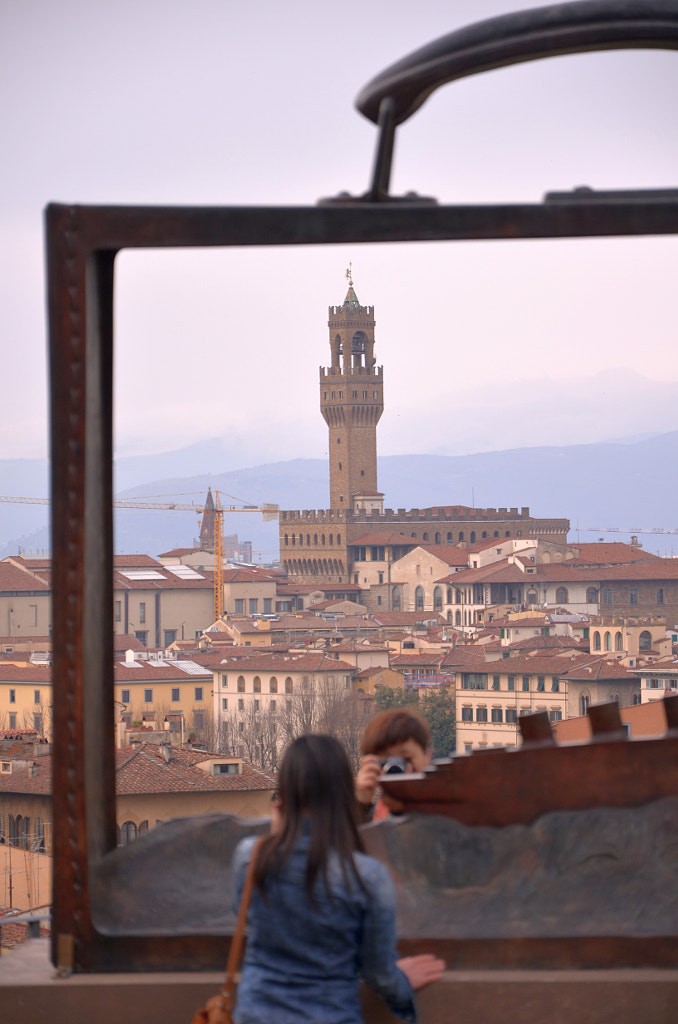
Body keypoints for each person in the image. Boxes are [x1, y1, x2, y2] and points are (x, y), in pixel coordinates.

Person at [231, 734, 444, 1024]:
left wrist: (278, 836)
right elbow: (378, 972)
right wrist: (402, 983)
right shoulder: (366, 876)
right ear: (343, 790)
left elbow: (252, 923)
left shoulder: (250, 859)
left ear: (285, 792)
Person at [355, 709, 431, 822]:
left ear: (426, 756)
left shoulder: (449, 811)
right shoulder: (367, 818)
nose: (396, 768)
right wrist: (361, 805)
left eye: (406, 759)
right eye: (387, 761)